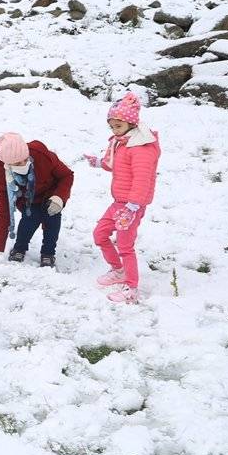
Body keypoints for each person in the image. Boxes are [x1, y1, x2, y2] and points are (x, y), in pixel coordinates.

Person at [83, 92, 161, 305]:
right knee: (100, 234)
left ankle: (132, 288)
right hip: (118, 203)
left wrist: (133, 206)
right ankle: (118, 270)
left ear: (131, 123)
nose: (114, 130)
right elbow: (116, 165)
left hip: (132, 205)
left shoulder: (141, 148)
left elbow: (142, 179)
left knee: (125, 246)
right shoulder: (122, 142)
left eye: (118, 126)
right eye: (112, 127)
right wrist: (99, 163)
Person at [0, 132, 74, 267]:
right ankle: (19, 248)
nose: (23, 163)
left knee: (52, 222)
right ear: (7, 163)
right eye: (17, 163)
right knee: (29, 221)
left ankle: (48, 253)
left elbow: (66, 175)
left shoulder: (41, 155)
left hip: (52, 195)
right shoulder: (0, 174)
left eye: (25, 159)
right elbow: (4, 211)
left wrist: (59, 197)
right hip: (28, 201)